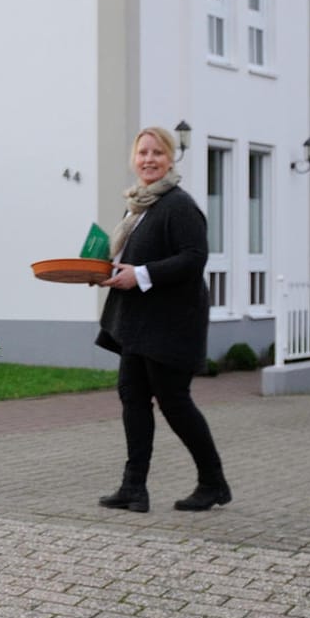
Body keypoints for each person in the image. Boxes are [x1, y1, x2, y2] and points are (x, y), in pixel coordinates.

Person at [95, 125, 231, 514]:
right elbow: (139, 257)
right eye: (142, 153)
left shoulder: (178, 205)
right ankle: (133, 488)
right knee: (133, 399)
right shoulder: (139, 205)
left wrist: (138, 274)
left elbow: (193, 258)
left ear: (171, 158)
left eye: (157, 153)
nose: (149, 159)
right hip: (139, 324)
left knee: (174, 402)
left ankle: (213, 482)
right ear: (133, 159)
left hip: (172, 324)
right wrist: (109, 272)